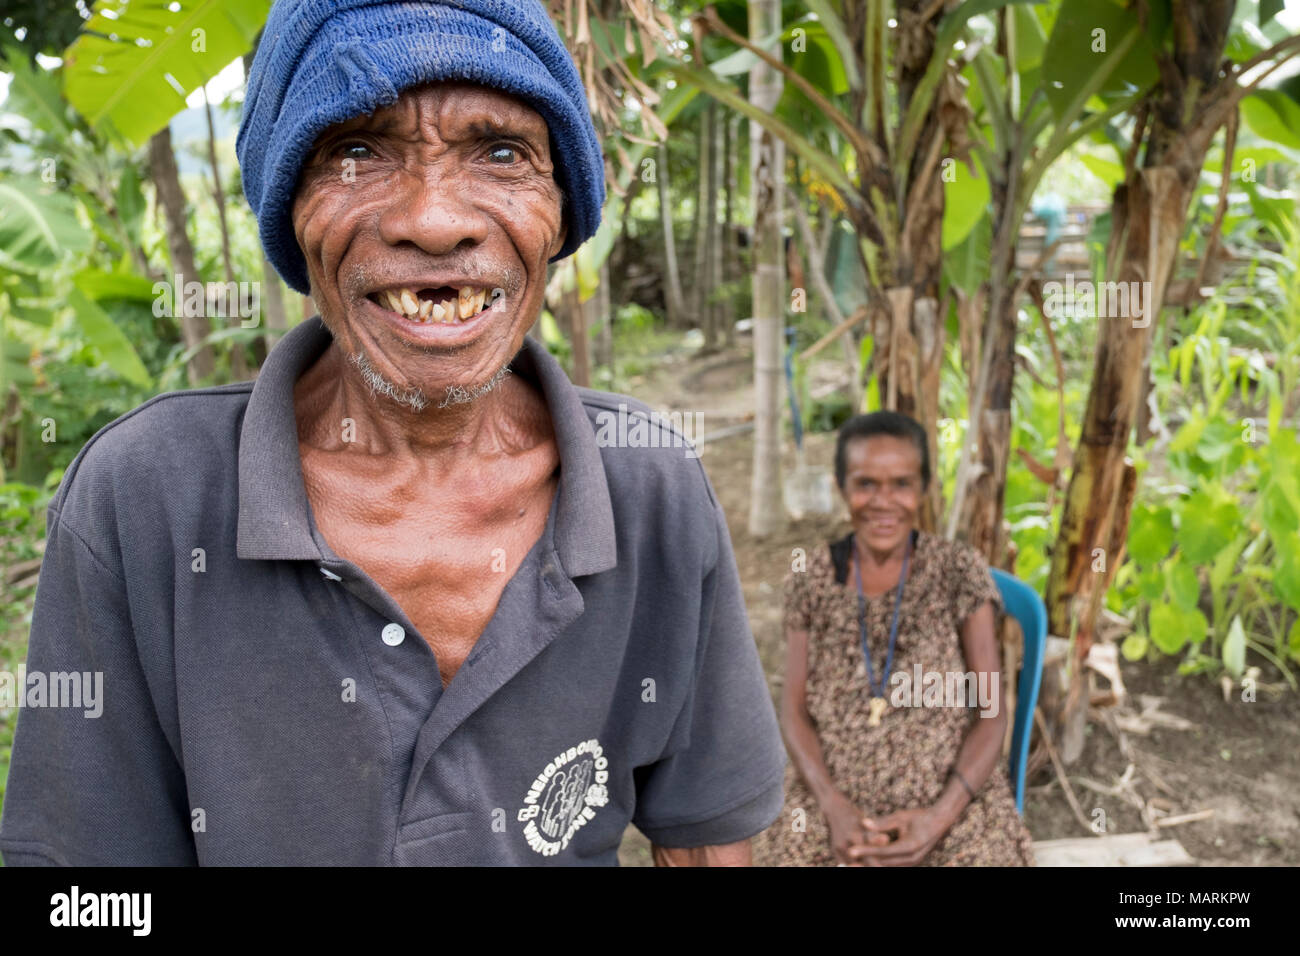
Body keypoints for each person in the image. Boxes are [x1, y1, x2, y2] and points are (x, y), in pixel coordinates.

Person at [0, 0, 786, 866]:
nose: (435, 218)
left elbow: (709, 842)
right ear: (290, 210)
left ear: (560, 212)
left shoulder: (650, 485)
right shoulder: (144, 496)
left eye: (500, 153)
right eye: (358, 151)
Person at [754, 411, 1035, 866]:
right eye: (866, 484)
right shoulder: (810, 579)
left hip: (953, 800)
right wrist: (832, 805)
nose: (883, 501)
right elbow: (794, 711)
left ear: (923, 488)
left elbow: (991, 713)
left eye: (901, 484)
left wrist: (938, 818)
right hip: (833, 804)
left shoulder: (957, 570)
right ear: (842, 487)